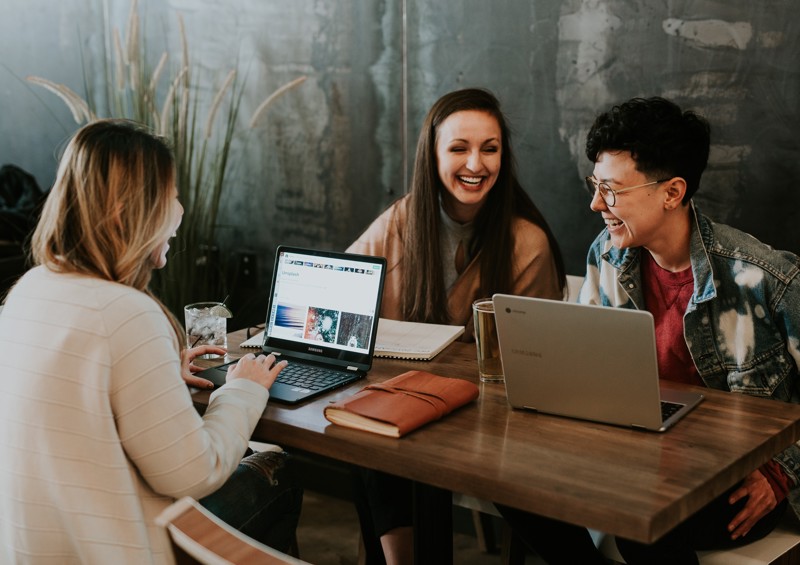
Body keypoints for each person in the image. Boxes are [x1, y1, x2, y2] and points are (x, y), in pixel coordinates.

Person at [498, 96, 800, 565]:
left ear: (672, 193)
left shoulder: (764, 278)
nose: (596, 203)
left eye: (612, 190)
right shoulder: (608, 255)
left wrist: (782, 472)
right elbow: (584, 372)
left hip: (730, 479)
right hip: (635, 459)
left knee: (644, 516)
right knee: (508, 479)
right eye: (594, 185)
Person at [0, 120, 302, 564]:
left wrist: (157, 370)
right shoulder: (126, 312)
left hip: (35, 547)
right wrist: (244, 388)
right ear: (129, 211)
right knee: (280, 471)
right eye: (172, 195)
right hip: (112, 550)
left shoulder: (28, 289)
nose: (180, 209)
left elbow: (68, 403)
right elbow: (193, 474)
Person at [347, 88, 567, 565]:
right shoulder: (404, 219)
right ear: (433, 154)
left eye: (490, 148)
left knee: (378, 438)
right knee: (367, 433)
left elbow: (533, 362)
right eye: (459, 148)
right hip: (406, 406)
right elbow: (345, 285)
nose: (476, 163)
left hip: (487, 421)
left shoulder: (525, 242)